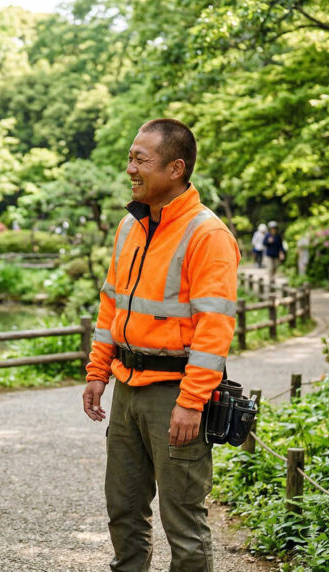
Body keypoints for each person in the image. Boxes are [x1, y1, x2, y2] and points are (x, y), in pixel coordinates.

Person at [82, 118, 239, 572]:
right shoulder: (129, 227)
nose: (130, 168)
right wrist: (97, 372)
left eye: (140, 160)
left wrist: (192, 402)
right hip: (127, 388)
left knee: (184, 523)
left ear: (175, 168)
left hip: (176, 394)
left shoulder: (207, 235)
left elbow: (215, 329)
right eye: (130, 157)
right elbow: (110, 305)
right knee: (124, 511)